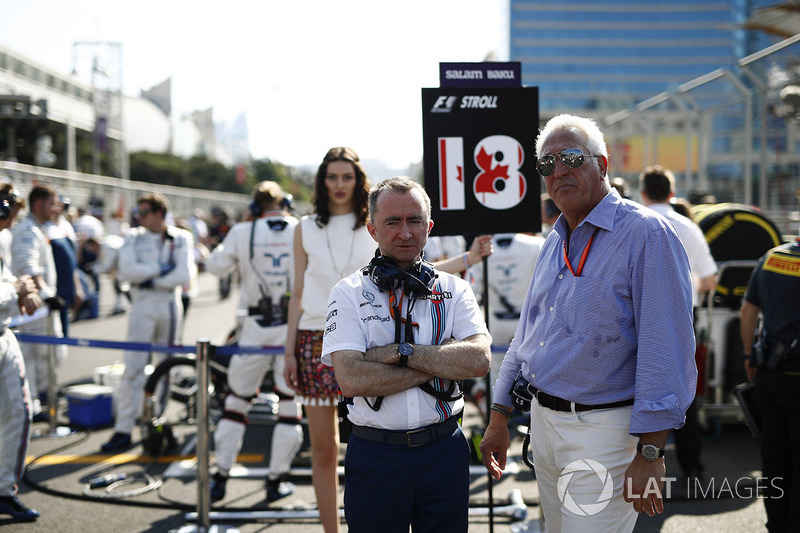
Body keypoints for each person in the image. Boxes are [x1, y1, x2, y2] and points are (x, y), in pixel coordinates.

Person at [480, 114, 696, 532]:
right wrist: (499, 415)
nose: (558, 171)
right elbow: (529, 338)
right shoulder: (553, 242)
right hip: (543, 426)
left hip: (605, 431)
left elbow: (666, 350)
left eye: (571, 158)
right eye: (547, 164)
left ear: (603, 164)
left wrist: (650, 454)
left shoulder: (647, 234)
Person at [321, 176, 491, 532]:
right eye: (392, 222)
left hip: (444, 451)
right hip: (375, 457)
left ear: (429, 226)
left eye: (414, 220)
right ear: (372, 229)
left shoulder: (455, 288)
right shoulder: (348, 293)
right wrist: (441, 363)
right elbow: (351, 379)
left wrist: (398, 353)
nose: (405, 232)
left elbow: (477, 360)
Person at [283, 146, 376, 533]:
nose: (339, 185)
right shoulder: (304, 228)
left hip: (367, 336)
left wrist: (468, 259)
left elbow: (415, 267)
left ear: (358, 180)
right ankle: (330, 530)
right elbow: (298, 291)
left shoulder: (373, 221)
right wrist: (288, 351)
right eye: (332, 177)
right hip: (312, 340)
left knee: (372, 445)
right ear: (322, 181)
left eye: (347, 177)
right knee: (323, 449)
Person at [204, 181, 303, 503]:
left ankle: (220, 478)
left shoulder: (242, 231)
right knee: (289, 406)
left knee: (236, 403)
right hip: (293, 330)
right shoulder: (301, 229)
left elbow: (214, 265)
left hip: (253, 331)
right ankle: (276, 480)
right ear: (285, 203)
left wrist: (243, 225)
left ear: (254, 206)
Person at [639, 166, 718, 483]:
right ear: (672, 193)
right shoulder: (687, 226)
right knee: (685, 390)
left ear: (643, 193)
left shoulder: (633, 223)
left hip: (640, 317)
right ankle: (692, 467)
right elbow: (710, 279)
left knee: (636, 390)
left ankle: (635, 467)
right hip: (684, 315)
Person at [100, 193, 193, 453]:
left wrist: (151, 275)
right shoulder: (132, 237)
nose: (138, 218)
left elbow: (184, 274)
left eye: (143, 213)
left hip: (168, 304)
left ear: (159, 214)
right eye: (137, 213)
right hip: (141, 304)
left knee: (165, 368)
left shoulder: (181, 237)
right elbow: (127, 271)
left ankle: (155, 421)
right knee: (133, 368)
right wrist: (161, 270)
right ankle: (123, 428)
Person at [740, 234, 800, 532]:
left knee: (775, 459)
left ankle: (777, 525)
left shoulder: (772, 258)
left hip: (769, 373)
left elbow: (748, 311)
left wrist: (749, 355)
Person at [0, 184, 43, 522]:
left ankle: (3, 490)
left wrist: (20, 291)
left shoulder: (4, 238)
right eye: (10, 214)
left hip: (3, 334)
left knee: (19, 411)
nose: (12, 222)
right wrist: (14, 290)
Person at [11, 184, 65, 422]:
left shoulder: (37, 228)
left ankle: (37, 403)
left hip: (39, 309)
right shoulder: (27, 230)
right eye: (53, 203)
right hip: (33, 309)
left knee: (50, 357)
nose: (57, 209)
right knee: (34, 359)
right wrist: (45, 295)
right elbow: (27, 267)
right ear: (39, 203)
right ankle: (33, 406)